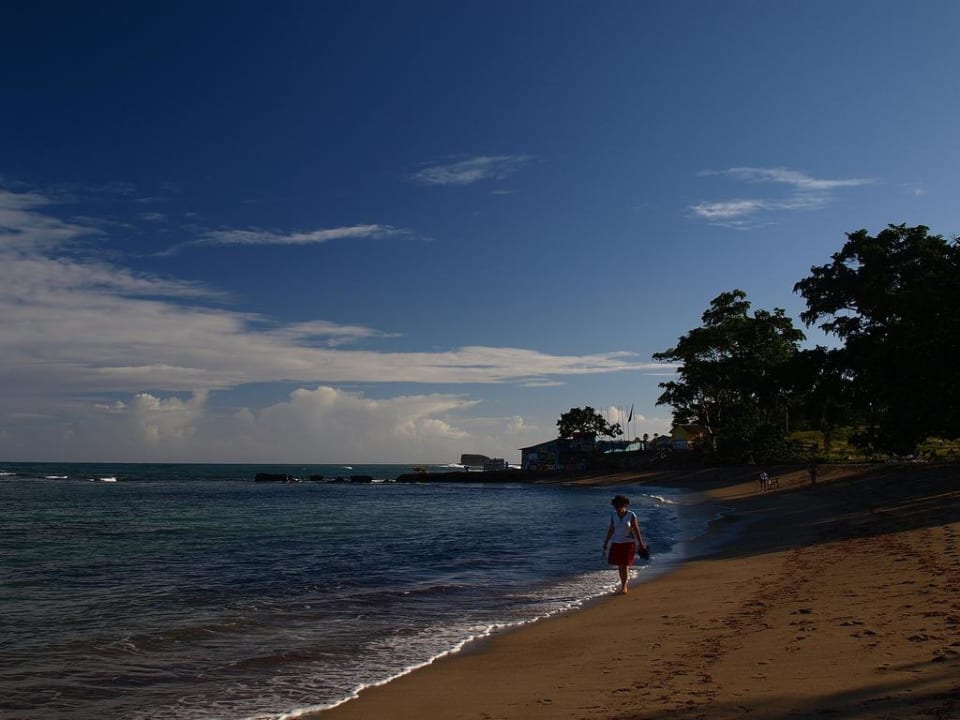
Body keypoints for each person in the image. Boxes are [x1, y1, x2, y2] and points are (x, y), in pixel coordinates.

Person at [603, 494, 648, 594]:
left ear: (624, 505)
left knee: (625, 565)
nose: (617, 507)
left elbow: (636, 530)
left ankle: (624, 587)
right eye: (615, 505)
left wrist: (641, 544)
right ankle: (623, 584)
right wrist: (606, 542)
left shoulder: (631, 515)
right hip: (616, 542)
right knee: (620, 565)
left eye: (619, 505)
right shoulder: (613, 515)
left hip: (628, 543)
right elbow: (611, 529)